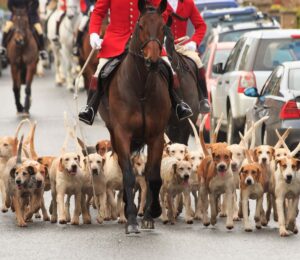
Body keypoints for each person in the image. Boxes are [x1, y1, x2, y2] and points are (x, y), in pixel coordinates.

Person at [79, 0, 193, 125]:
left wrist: (155, 25)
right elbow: (98, 12)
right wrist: (94, 34)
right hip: (116, 38)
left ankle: (179, 104)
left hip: (145, 38)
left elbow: (163, 9)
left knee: (169, 67)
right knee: (100, 70)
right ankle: (90, 107)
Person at [164, 0, 210, 114]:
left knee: (198, 61)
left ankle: (203, 98)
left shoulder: (188, 3)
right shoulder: (156, 2)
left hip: (181, 46)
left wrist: (194, 42)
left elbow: (201, 25)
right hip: (162, 46)